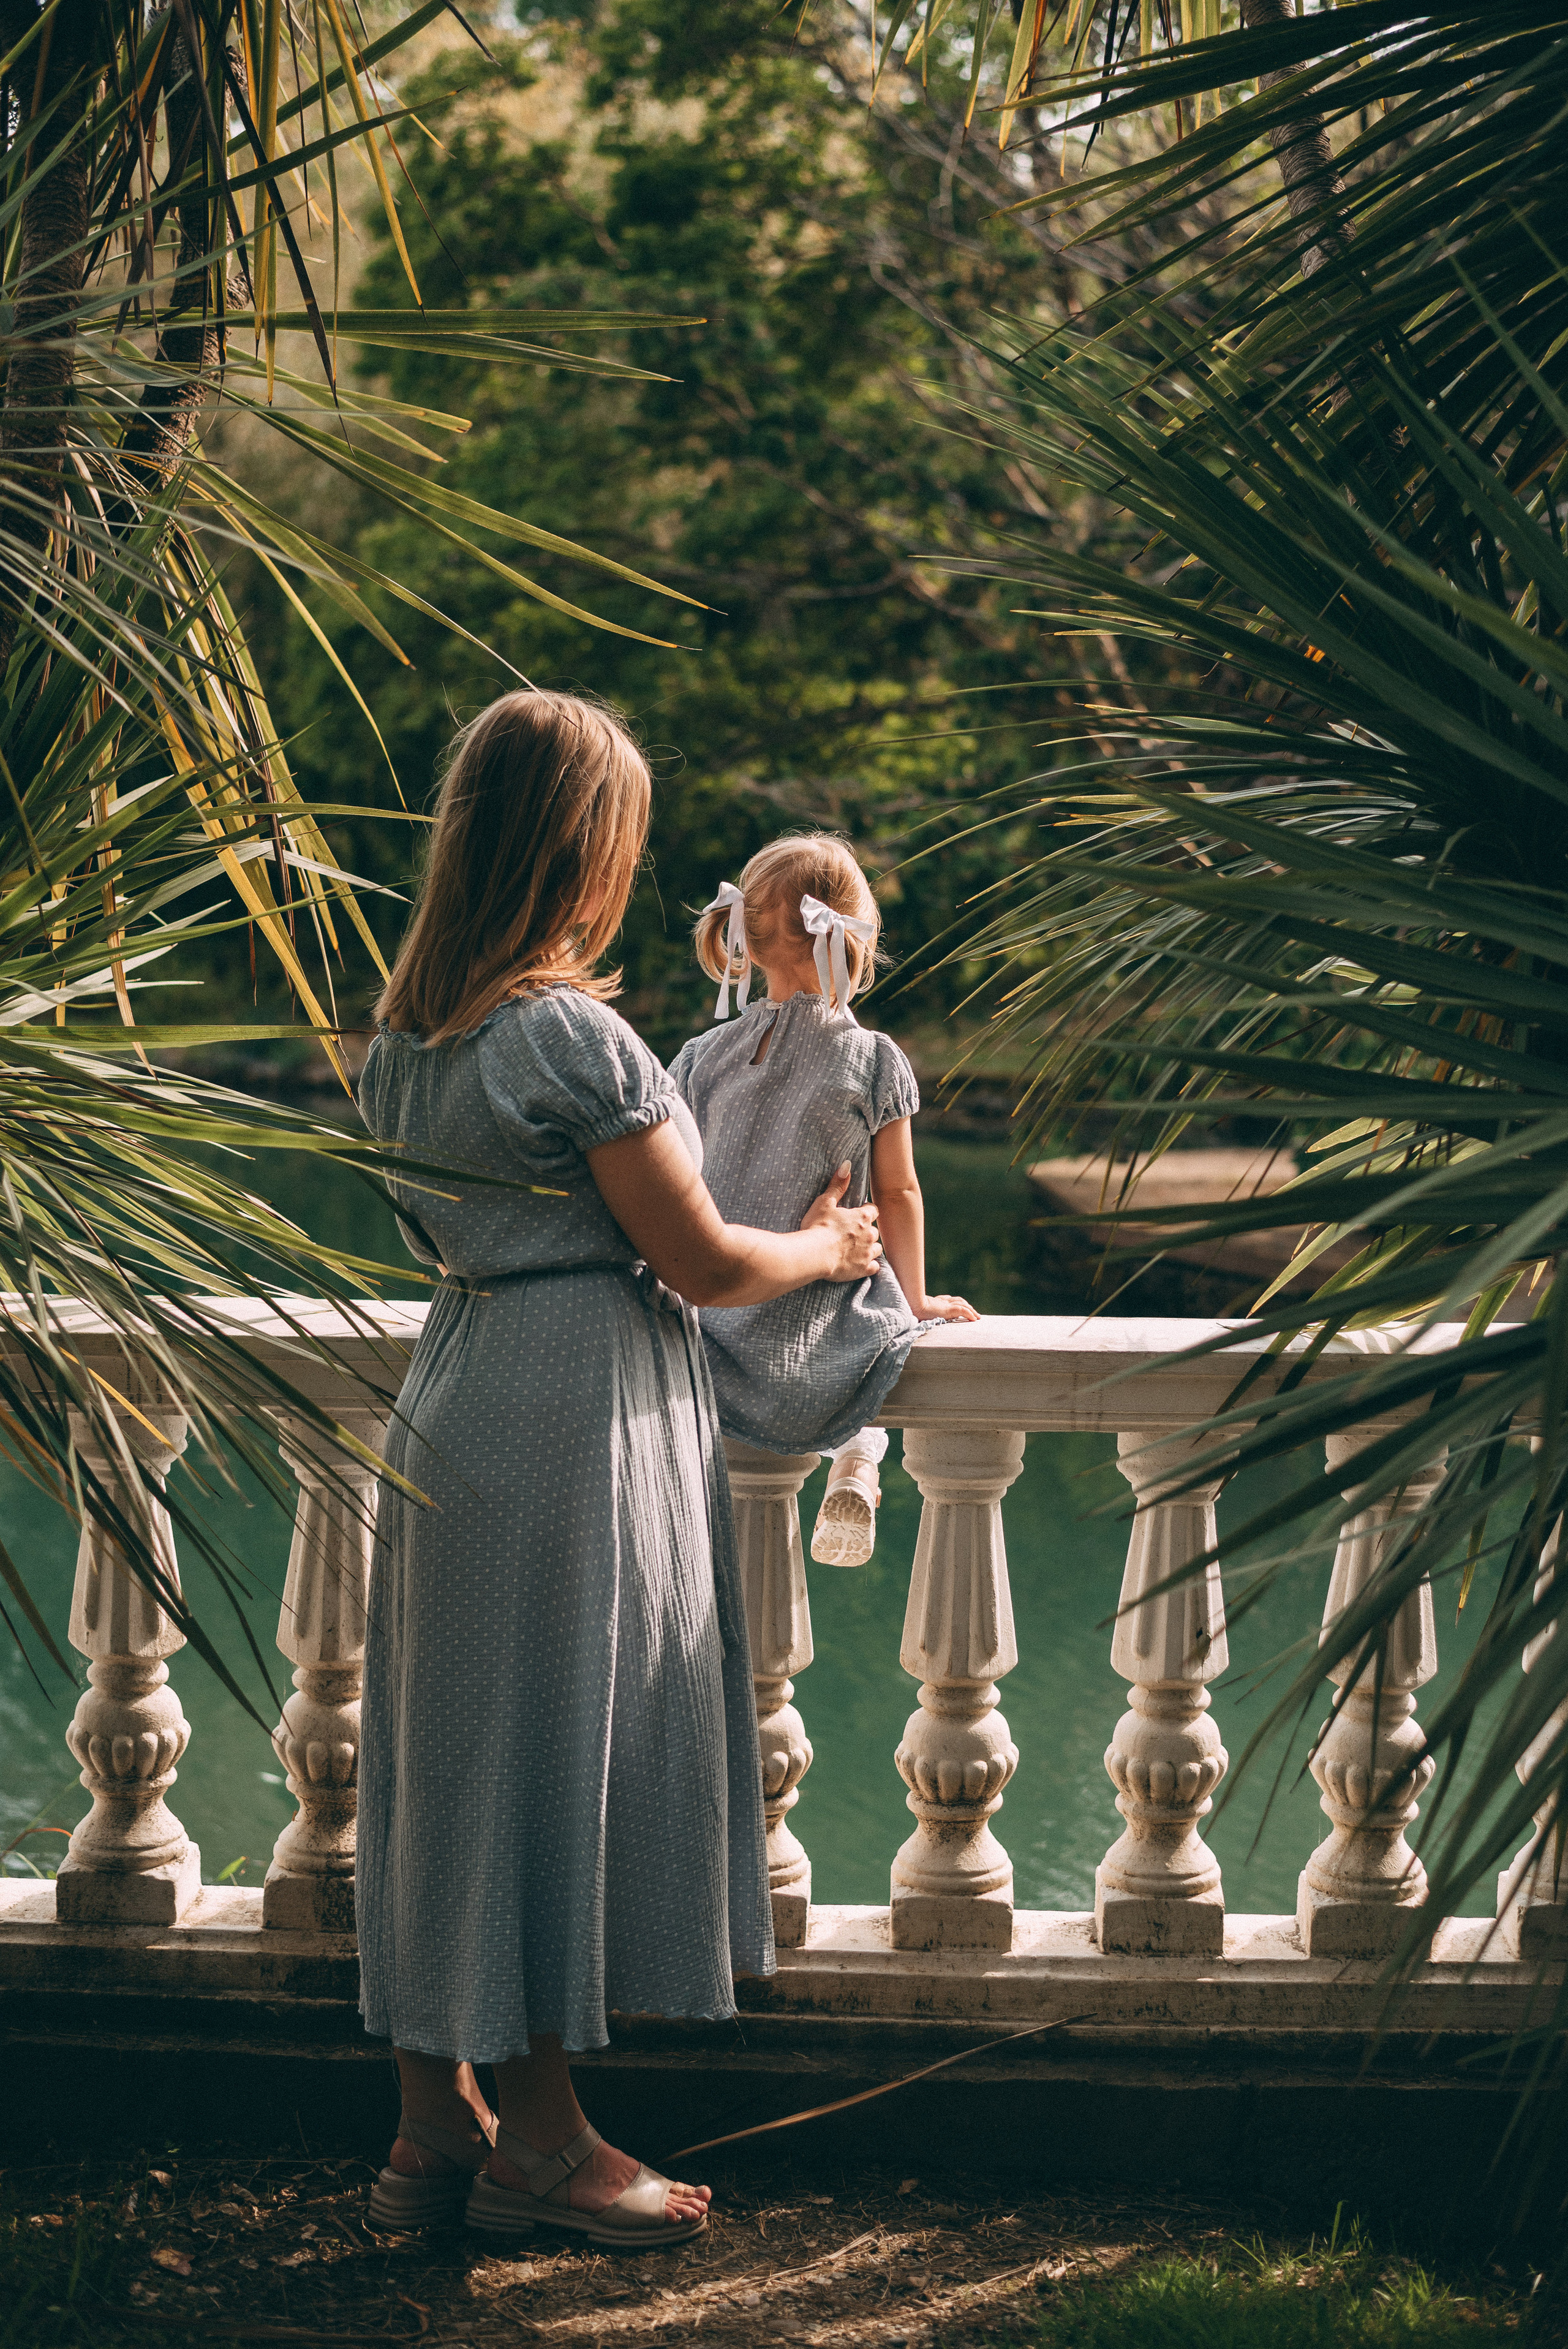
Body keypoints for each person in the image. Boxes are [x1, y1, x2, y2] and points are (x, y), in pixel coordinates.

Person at [354, 694, 883, 2250]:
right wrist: (836, 1244)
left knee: (456, 1761)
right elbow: (708, 1256)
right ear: (581, 847)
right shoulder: (566, 1030)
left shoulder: (403, 1035)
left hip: (454, 1395)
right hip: (570, 1423)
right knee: (539, 1759)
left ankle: (422, 2123)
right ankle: (542, 2143)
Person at [671, 837, 977, 1569]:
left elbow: (673, 1187)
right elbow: (898, 1191)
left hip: (718, 1313)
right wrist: (919, 1295)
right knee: (874, 1333)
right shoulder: (872, 1058)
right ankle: (858, 1464)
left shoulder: (698, 1057)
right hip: (815, 1294)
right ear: (851, 936)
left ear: (740, 934)